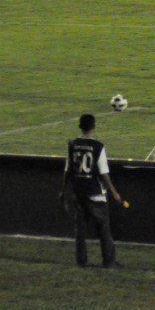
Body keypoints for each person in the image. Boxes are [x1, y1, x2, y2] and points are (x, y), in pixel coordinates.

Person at [60, 113, 124, 267]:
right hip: (95, 193)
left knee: (80, 231)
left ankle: (81, 261)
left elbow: (67, 171)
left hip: (78, 192)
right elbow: (104, 174)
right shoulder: (98, 147)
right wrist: (115, 193)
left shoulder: (72, 144)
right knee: (103, 229)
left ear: (80, 126)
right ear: (93, 127)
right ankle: (108, 261)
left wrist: (63, 191)